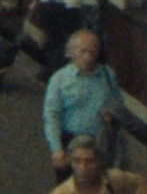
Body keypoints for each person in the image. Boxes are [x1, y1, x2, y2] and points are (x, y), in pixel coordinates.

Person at [44, 30, 123, 182]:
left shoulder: (107, 75)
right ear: (71, 53)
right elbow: (52, 116)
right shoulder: (59, 79)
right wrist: (57, 149)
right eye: (83, 51)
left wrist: (113, 113)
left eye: (92, 52)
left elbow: (118, 102)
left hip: (100, 144)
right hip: (72, 142)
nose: (88, 57)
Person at [49, 136, 147, 194]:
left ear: (100, 162)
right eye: (77, 161)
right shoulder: (62, 192)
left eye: (90, 161)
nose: (83, 168)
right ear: (70, 162)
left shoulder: (114, 179)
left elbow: (140, 182)